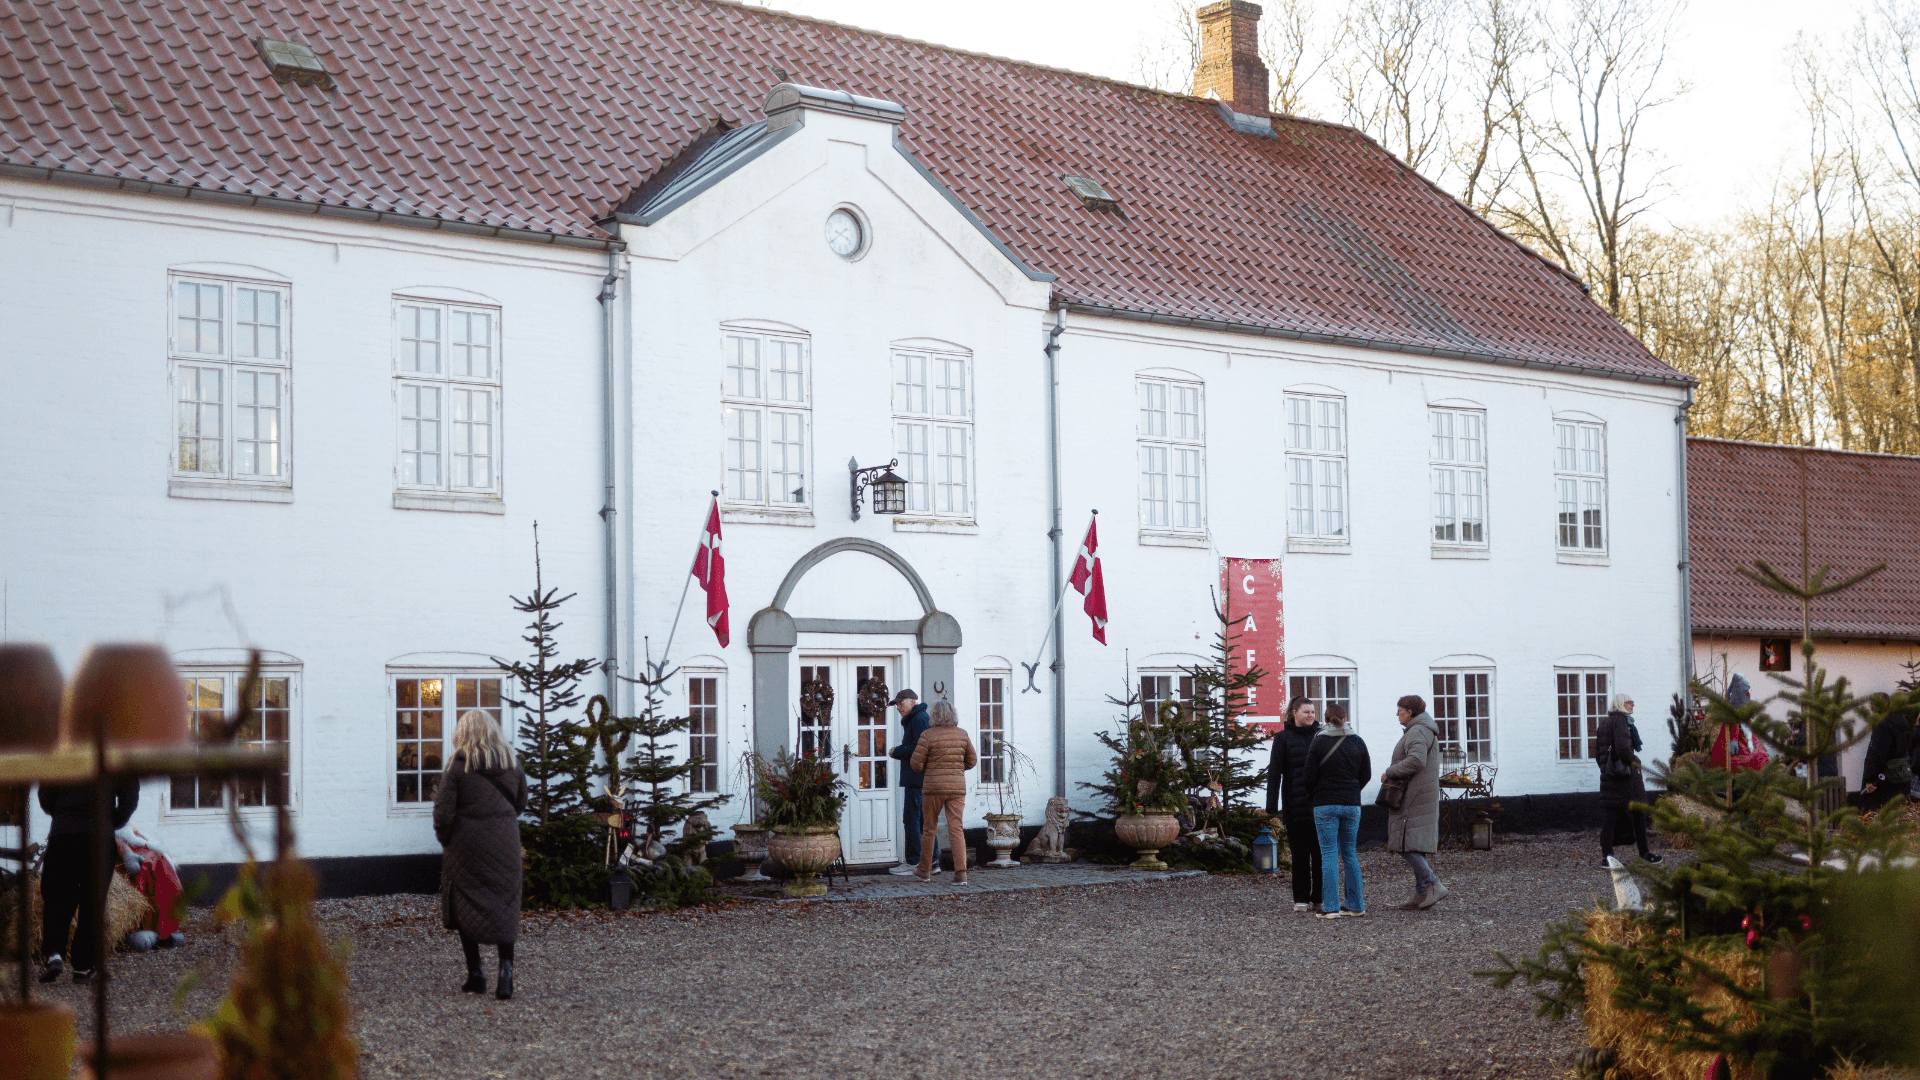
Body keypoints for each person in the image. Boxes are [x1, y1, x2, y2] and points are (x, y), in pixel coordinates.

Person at [434, 709, 527, 1000]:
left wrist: (446, 839)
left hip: (466, 848)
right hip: (506, 844)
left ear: (464, 733)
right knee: (506, 906)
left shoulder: (457, 767)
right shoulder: (512, 764)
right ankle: (506, 974)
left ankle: (476, 974)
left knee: (465, 904)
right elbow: (520, 803)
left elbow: (443, 813)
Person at [37, 777, 140, 984]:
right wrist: (111, 819)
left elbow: (45, 795)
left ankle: (54, 954)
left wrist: (63, 815)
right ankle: (83, 966)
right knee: (92, 901)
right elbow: (130, 796)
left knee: (57, 897)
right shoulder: (113, 750)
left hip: (63, 835)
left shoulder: (61, 750)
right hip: (99, 836)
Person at [1303, 703, 1370, 919]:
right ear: (1346, 717)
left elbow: (1308, 775)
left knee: (1329, 853)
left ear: (1325, 718)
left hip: (1325, 803)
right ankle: (1356, 905)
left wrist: (1317, 793)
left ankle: (1331, 907)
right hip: (1352, 804)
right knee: (1350, 853)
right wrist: (1352, 790)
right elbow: (1366, 774)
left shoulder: (1319, 741)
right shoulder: (1358, 741)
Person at [1381, 695, 1447, 910]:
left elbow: (1417, 760)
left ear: (1409, 712)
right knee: (1414, 843)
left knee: (1405, 844)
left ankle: (1433, 884)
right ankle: (1421, 894)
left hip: (1413, 796)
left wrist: (1390, 772)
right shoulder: (1423, 729)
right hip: (1421, 794)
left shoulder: (1417, 731)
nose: (1397, 713)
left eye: (1399, 709)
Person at [1265, 695, 1323, 913]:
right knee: (1299, 855)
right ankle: (1300, 898)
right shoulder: (1283, 738)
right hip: (1295, 806)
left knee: (1319, 855)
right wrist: (1272, 805)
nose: (1311, 716)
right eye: (1306, 712)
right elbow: (1274, 773)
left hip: (1320, 805)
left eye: (1313, 712)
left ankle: (1319, 898)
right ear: (1295, 713)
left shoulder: (1321, 736)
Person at [909, 700, 978, 884]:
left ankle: (924, 870)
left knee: (929, 829)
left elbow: (916, 763)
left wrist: (929, 769)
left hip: (933, 788)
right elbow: (972, 761)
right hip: (956, 788)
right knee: (956, 828)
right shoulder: (962, 735)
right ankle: (961, 873)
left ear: (934, 716)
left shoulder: (927, 735)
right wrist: (956, 769)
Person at [1596, 694, 1662, 868]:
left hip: (1609, 777)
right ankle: (1644, 853)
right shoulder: (1621, 722)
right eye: (1629, 702)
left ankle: (1607, 858)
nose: (1633, 705)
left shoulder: (1604, 723)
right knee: (1639, 812)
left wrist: (1605, 768)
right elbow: (1624, 749)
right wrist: (1636, 762)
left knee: (1610, 816)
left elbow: (1597, 753)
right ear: (1620, 705)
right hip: (1625, 777)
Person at [886, 689, 932, 876]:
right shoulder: (917, 718)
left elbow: (919, 749)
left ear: (912, 701)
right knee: (922, 821)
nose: (897, 707)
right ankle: (931, 861)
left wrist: (897, 751)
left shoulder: (919, 719)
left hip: (917, 778)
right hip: (918, 777)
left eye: (900, 703)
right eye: (896, 704)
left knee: (912, 820)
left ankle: (914, 861)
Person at [1859, 707, 1914, 812]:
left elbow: (1876, 755)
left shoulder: (1882, 725)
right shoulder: (1900, 724)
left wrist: (1869, 779)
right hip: (1899, 776)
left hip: (1882, 780)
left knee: (1878, 814)